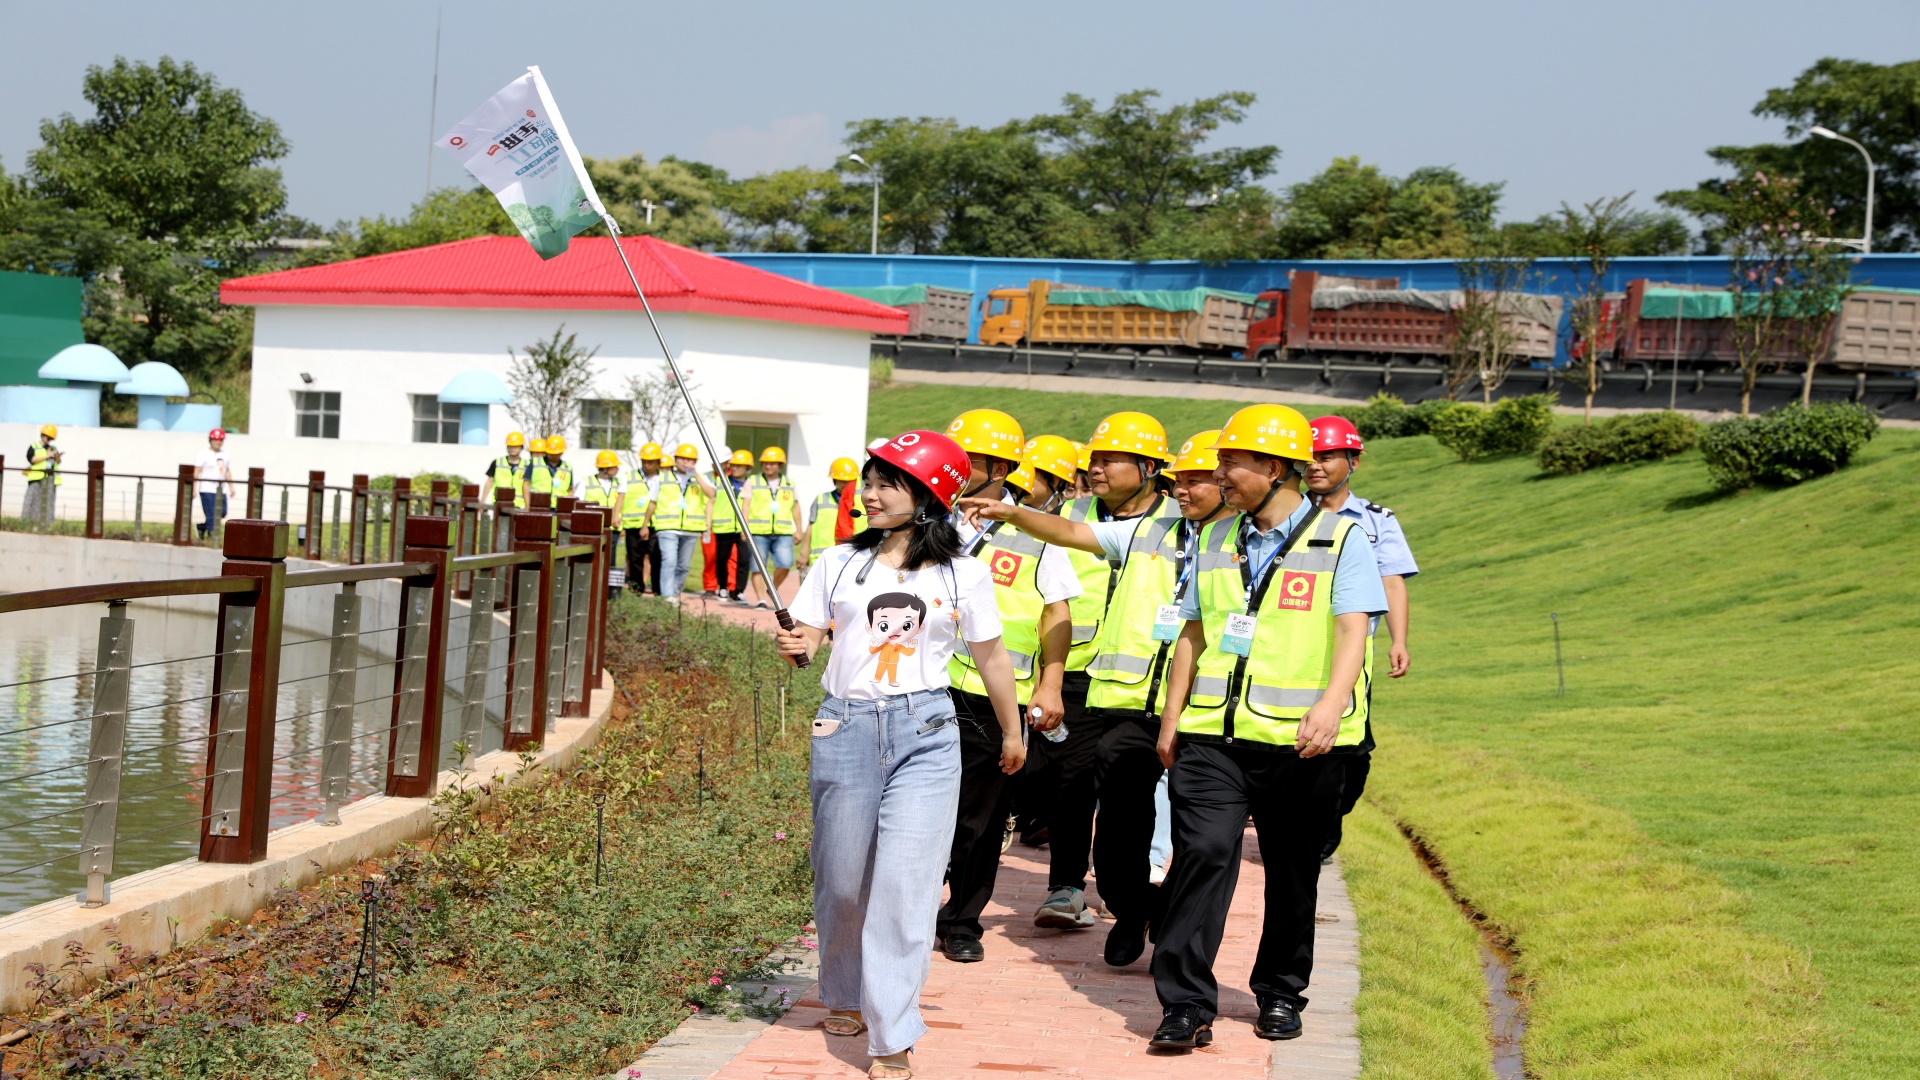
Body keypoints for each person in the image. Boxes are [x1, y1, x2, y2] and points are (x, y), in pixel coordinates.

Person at [775, 429, 1024, 1080]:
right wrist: (798, 647)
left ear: (928, 494)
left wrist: (1014, 731)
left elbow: (992, 657)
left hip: (927, 734)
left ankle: (892, 1032)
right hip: (845, 729)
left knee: (905, 887)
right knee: (843, 881)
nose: (871, 492)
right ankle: (845, 991)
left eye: (889, 481)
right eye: (870, 478)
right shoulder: (837, 562)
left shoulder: (962, 572)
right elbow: (807, 636)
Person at [1146, 404, 1386, 1050]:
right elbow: (1193, 633)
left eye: (1232, 462)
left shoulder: (1342, 539)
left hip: (1301, 743)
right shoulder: (1214, 539)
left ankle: (1280, 991)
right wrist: (1171, 719)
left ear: (1274, 468)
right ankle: (1186, 1002)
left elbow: (1351, 630)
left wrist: (1333, 704)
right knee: (1204, 853)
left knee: (1291, 868)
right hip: (1213, 737)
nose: (1220, 473)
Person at [956, 424, 1230, 969]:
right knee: (1112, 824)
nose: (1188, 489)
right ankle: (1131, 909)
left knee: (1203, 836)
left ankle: (1172, 928)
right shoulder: (1148, 532)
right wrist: (1011, 512)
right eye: (1095, 459)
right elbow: (1069, 536)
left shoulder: (1245, 543)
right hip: (1119, 695)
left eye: (1203, 479)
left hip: (1211, 704)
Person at [1013, 412, 1180, 934]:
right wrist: (1050, 678)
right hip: (1078, 672)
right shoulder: (1068, 514)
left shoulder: (1179, 523)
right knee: (1069, 780)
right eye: (1094, 461)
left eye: (1110, 460)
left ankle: (1132, 892)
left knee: (1131, 795)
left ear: (1148, 467)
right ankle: (1065, 887)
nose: (1098, 469)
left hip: (1143, 684)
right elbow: (1044, 599)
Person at [935, 411, 1082, 965]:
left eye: (967, 460)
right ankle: (915, 908)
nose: (955, 468)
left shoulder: (1034, 533)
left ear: (998, 469)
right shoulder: (927, 520)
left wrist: (1050, 682)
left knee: (982, 819)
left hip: (992, 699)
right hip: (923, 688)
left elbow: (1056, 612)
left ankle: (962, 921)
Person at [1305, 416, 1417, 861]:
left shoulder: (1376, 521)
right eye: (1310, 457)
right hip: (1290, 647)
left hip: (1353, 653)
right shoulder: (1286, 515)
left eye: (1327, 456)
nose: (1316, 465)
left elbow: (1392, 581)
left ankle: (1327, 823)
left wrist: (1398, 639)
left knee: (1353, 756)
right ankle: (1302, 828)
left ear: (1352, 462)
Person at [649, 443, 715, 601]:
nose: (686, 462)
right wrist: (646, 524)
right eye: (682, 459)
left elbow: (712, 494)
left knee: (683, 566)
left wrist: (697, 476)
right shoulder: (662, 478)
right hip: (668, 527)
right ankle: (667, 596)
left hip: (690, 529)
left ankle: (675, 593)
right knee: (669, 561)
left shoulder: (700, 478)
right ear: (675, 460)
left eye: (690, 460)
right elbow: (653, 502)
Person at [745, 446, 805, 609]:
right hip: (758, 531)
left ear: (780, 465)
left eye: (773, 463)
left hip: (783, 532)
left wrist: (799, 529)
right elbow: (746, 505)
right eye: (765, 463)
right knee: (757, 566)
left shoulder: (789, 483)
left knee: (785, 564)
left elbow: (795, 506)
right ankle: (761, 600)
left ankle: (773, 588)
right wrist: (745, 528)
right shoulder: (753, 481)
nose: (768, 466)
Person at [708, 449, 755, 602]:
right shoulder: (720, 481)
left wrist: (745, 527)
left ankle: (738, 591)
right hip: (724, 528)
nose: (735, 468)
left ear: (747, 467)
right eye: (733, 465)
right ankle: (722, 588)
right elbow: (712, 501)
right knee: (722, 559)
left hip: (743, 529)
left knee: (744, 560)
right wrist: (708, 522)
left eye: (739, 466)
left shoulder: (752, 484)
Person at [579, 451, 626, 598]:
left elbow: (621, 501)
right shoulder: (586, 482)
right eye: (614, 467)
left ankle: (606, 593)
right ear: (604, 468)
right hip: (592, 529)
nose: (617, 470)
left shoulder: (619, 483)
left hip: (612, 529)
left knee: (609, 561)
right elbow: (579, 503)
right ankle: (589, 589)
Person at [622, 443, 665, 595]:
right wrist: (618, 517)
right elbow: (621, 497)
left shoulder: (666, 478)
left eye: (651, 461)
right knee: (635, 559)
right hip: (633, 524)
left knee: (656, 557)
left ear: (658, 462)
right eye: (644, 461)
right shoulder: (630, 476)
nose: (647, 464)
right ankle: (636, 589)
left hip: (657, 524)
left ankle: (658, 590)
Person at [805, 457, 862, 568]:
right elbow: (810, 526)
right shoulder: (821, 499)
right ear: (834, 479)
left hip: (851, 555)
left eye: (849, 481)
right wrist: (804, 551)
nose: (845, 484)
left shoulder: (861, 501)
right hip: (822, 557)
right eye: (841, 480)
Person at [194, 428, 235, 540]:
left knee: (222, 512)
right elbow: (197, 471)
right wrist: (194, 488)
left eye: (220, 440)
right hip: (207, 488)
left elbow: (227, 471)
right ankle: (213, 536)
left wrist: (231, 487)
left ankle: (201, 527)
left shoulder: (225, 454)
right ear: (210, 440)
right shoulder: (203, 454)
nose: (218, 442)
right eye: (215, 439)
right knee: (211, 513)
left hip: (221, 489)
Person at [21, 424, 62, 524]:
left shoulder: (53, 448)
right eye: (48, 438)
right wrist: (47, 456)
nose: (49, 440)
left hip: (50, 478)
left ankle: (47, 522)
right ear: (43, 435)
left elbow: (58, 462)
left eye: (51, 438)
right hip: (36, 477)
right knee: (31, 499)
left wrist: (57, 456)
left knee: (48, 501)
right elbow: (32, 459)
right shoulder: (34, 446)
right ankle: (26, 521)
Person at [485, 431, 530, 509]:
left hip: (520, 505)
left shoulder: (527, 465)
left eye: (516, 446)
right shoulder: (497, 462)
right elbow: (489, 481)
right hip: (500, 504)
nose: (513, 449)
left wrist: (528, 506)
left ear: (521, 447)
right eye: (510, 446)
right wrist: (483, 500)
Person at [528, 435, 575, 502]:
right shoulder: (535, 463)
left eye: (557, 453)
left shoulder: (567, 467)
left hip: (559, 506)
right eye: (551, 453)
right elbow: (526, 484)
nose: (554, 456)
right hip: (539, 503)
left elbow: (570, 489)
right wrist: (527, 506)